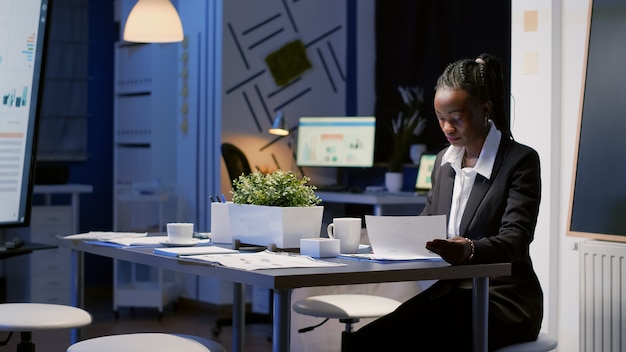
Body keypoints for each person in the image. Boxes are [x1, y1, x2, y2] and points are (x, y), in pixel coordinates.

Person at [346, 53, 543, 351]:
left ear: (485, 109)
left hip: (503, 299)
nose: (447, 128)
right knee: (364, 341)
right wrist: (390, 245)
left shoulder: (520, 161)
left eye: (456, 119)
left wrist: (471, 249)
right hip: (454, 295)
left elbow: (515, 239)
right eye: (440, 119)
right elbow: (428, 225)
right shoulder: (443, 162)